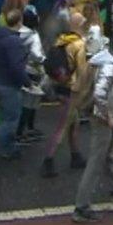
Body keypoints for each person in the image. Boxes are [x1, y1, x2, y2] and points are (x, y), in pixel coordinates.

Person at [72, 29, 113, 222]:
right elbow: (100, 93)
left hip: (99, 114)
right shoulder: (110, 65)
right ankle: (81, 207)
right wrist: (108, 116)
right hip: (100, 118)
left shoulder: (104, 56)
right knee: (96, 160)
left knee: (105, 153)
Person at [41, 12, 88, 178]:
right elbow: (82, 71)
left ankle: (76, 155)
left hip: (60, 86)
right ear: (82, 25)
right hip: (72, 90)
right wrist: (85, 93)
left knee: (73, 124)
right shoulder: (79, 44)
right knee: (62, 127)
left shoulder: (62, 40)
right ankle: (48, 159)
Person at [0, 9, 30, 161]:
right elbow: (16, 67)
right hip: (9, 86)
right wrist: (27, 82)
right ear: (20, 22)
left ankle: (9, 148)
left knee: (5, 115)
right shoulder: (15, 42)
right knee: (11, 121)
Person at [16, 7, 46, 141]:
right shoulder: (33, 36)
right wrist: (45, 60)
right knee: (31, 103)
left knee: (23, 102)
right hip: (33, 71)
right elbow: (36, 55)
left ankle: (23, 129)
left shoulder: (19, 32)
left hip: (21, 69)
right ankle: (23, 131)